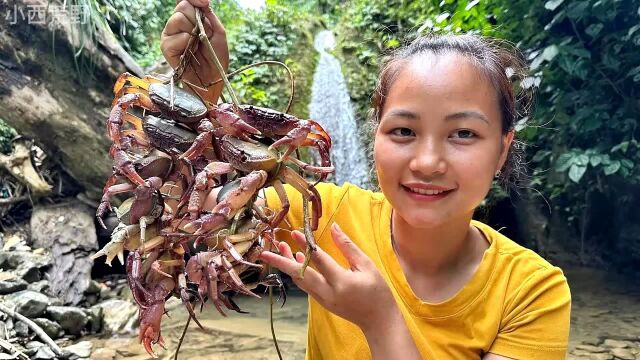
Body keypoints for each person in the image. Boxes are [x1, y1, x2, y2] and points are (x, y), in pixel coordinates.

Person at [161, 1, 571, 359]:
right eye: (403, 132)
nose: (427, 162)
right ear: (374, 137)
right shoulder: (320, 211)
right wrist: (196, 103)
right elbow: (180, 215)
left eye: (463, 134)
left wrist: (381, 321)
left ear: (502, 149)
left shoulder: (532, 292)